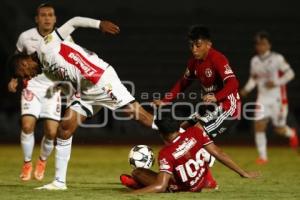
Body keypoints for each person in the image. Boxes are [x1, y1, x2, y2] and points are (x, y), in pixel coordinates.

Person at [10, 15, 157, 190]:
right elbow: (68, 86)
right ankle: (59, 182)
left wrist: (99, 24)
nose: (28, 78)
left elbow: (74, 21)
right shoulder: (47, 72)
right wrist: (73, 100)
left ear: (23, 64)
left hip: (100, 79)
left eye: (23, 75)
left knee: (142, 118)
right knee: (65, 128)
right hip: (86, 91)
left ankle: (180, 135)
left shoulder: (45, 46)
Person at [120, 111, 259, 193]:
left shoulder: (166, 153)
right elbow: (218, 153)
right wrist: (243, 173)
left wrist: (131, 195)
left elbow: (160, 186)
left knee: (138, 172)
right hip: (202, 178)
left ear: (162, 134)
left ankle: (136, 184)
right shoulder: (195, 132)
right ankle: (209, 182)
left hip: (185, 187)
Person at [8, 3, 65, 181]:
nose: (47, 18)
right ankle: (27, 163)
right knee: (27, 126)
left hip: (52, 90)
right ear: (37, 19)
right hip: (31, 87)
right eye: (43, 15)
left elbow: (71, 63)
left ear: (55, 19)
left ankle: (42, 161)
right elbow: (16, 59)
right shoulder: (26, 37)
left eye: (50, 15)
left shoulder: (64, 38)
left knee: (51, 132)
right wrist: (14, 78)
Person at [153, 25, 240, 138]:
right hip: (209, 107)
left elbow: (233, 83)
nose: (194, 49)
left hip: (228, 106)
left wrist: (216, 97)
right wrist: (165, 101)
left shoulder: (218, 59)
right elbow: (182, 84)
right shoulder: (193, 63)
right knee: (179, 132)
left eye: (198, 45)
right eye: (191, 45)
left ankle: (206, 156)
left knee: (197, 133)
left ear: (208, 44)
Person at [240, 31, 298, 164]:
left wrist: (276, 82)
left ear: (269, 45)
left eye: (263, 44)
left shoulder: (277, 58)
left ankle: (292, 133)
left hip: (278, 99)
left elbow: (290, 74)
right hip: (262, 99)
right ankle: (263, 157)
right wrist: (245, 90)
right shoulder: (254, 61)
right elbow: (254, 79)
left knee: (279, 129)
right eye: (258, 44)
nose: (260, 46)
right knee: (258, 125)